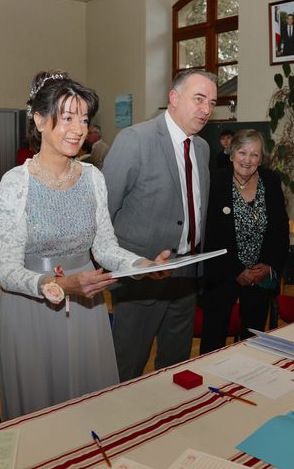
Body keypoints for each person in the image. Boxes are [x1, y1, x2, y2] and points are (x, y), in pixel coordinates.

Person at [0, 71, 170, 419]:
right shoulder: (15, 184)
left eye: (84, 119)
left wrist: (141, 266)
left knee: (88, 410)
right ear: (40, 120)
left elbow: (104, 247)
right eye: (68, 117)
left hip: (86, 306)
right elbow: (6, 271)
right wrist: (57, 284)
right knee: (41, 412)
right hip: (33, 309)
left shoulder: (93, 178)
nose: (78, 129)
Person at [103, 68, 217, 381]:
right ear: (174, 98)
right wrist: (116, 271)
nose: (206, 109)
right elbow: (102, 214)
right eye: (199, 99)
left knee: (175, 368)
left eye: (212, 102)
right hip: (141, 279)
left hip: (185, 275)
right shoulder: (134, 140)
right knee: (127, 368)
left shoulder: (203, 148)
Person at [200, 129, 289, 354]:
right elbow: (210, 234)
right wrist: (236, 270)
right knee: (213, 339)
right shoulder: (215, 181)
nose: (247, 160)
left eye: (254, 154)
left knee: (254, 339)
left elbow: (280, 228)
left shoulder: (271, 181)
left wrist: (269, 265)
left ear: (261, 159)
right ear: (231, 154)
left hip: (259, 276)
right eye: (242, 152)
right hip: (222, 274)